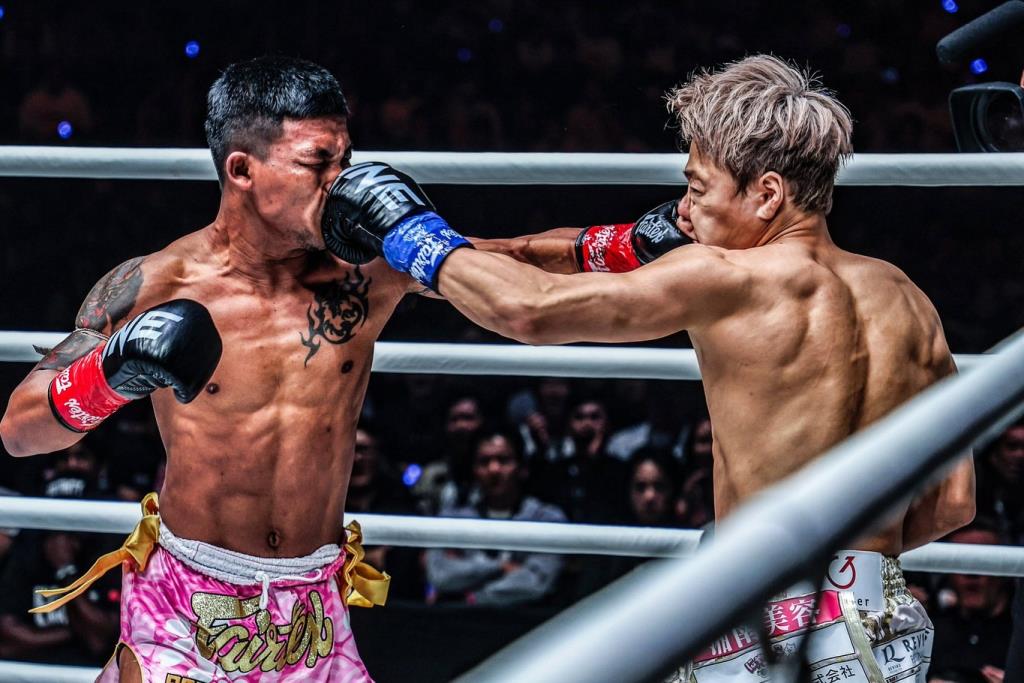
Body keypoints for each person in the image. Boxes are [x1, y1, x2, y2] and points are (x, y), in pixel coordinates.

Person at [320, 54, 975, 682]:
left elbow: (531, 311)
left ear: (767, 194)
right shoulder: (907, 298)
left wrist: (412, 234)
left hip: (766, 605)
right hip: (883, 613)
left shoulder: (727, 275)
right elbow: (953, 504)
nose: (685, 208)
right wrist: (850, 567)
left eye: (698, 187)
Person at [0, 56, 437, 683]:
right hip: (187, 604)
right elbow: (19, 430)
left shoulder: (368, 274)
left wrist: (602, 248)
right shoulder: (155, 283)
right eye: (318, 163)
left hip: (314, 612)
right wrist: (110, 374)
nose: (341, 184)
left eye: (346, 161)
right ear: (242, 170)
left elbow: (513, 264)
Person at [425, 428, 565, 606]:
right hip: (462, 621)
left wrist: (472, 597)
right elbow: (441, 574)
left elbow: (536, 581)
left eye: (503, 460)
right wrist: (501, 567)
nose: (494, 469)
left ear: (522, 467)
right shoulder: (452, 520)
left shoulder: (546, 519)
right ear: (474, 469)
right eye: (484, 462)